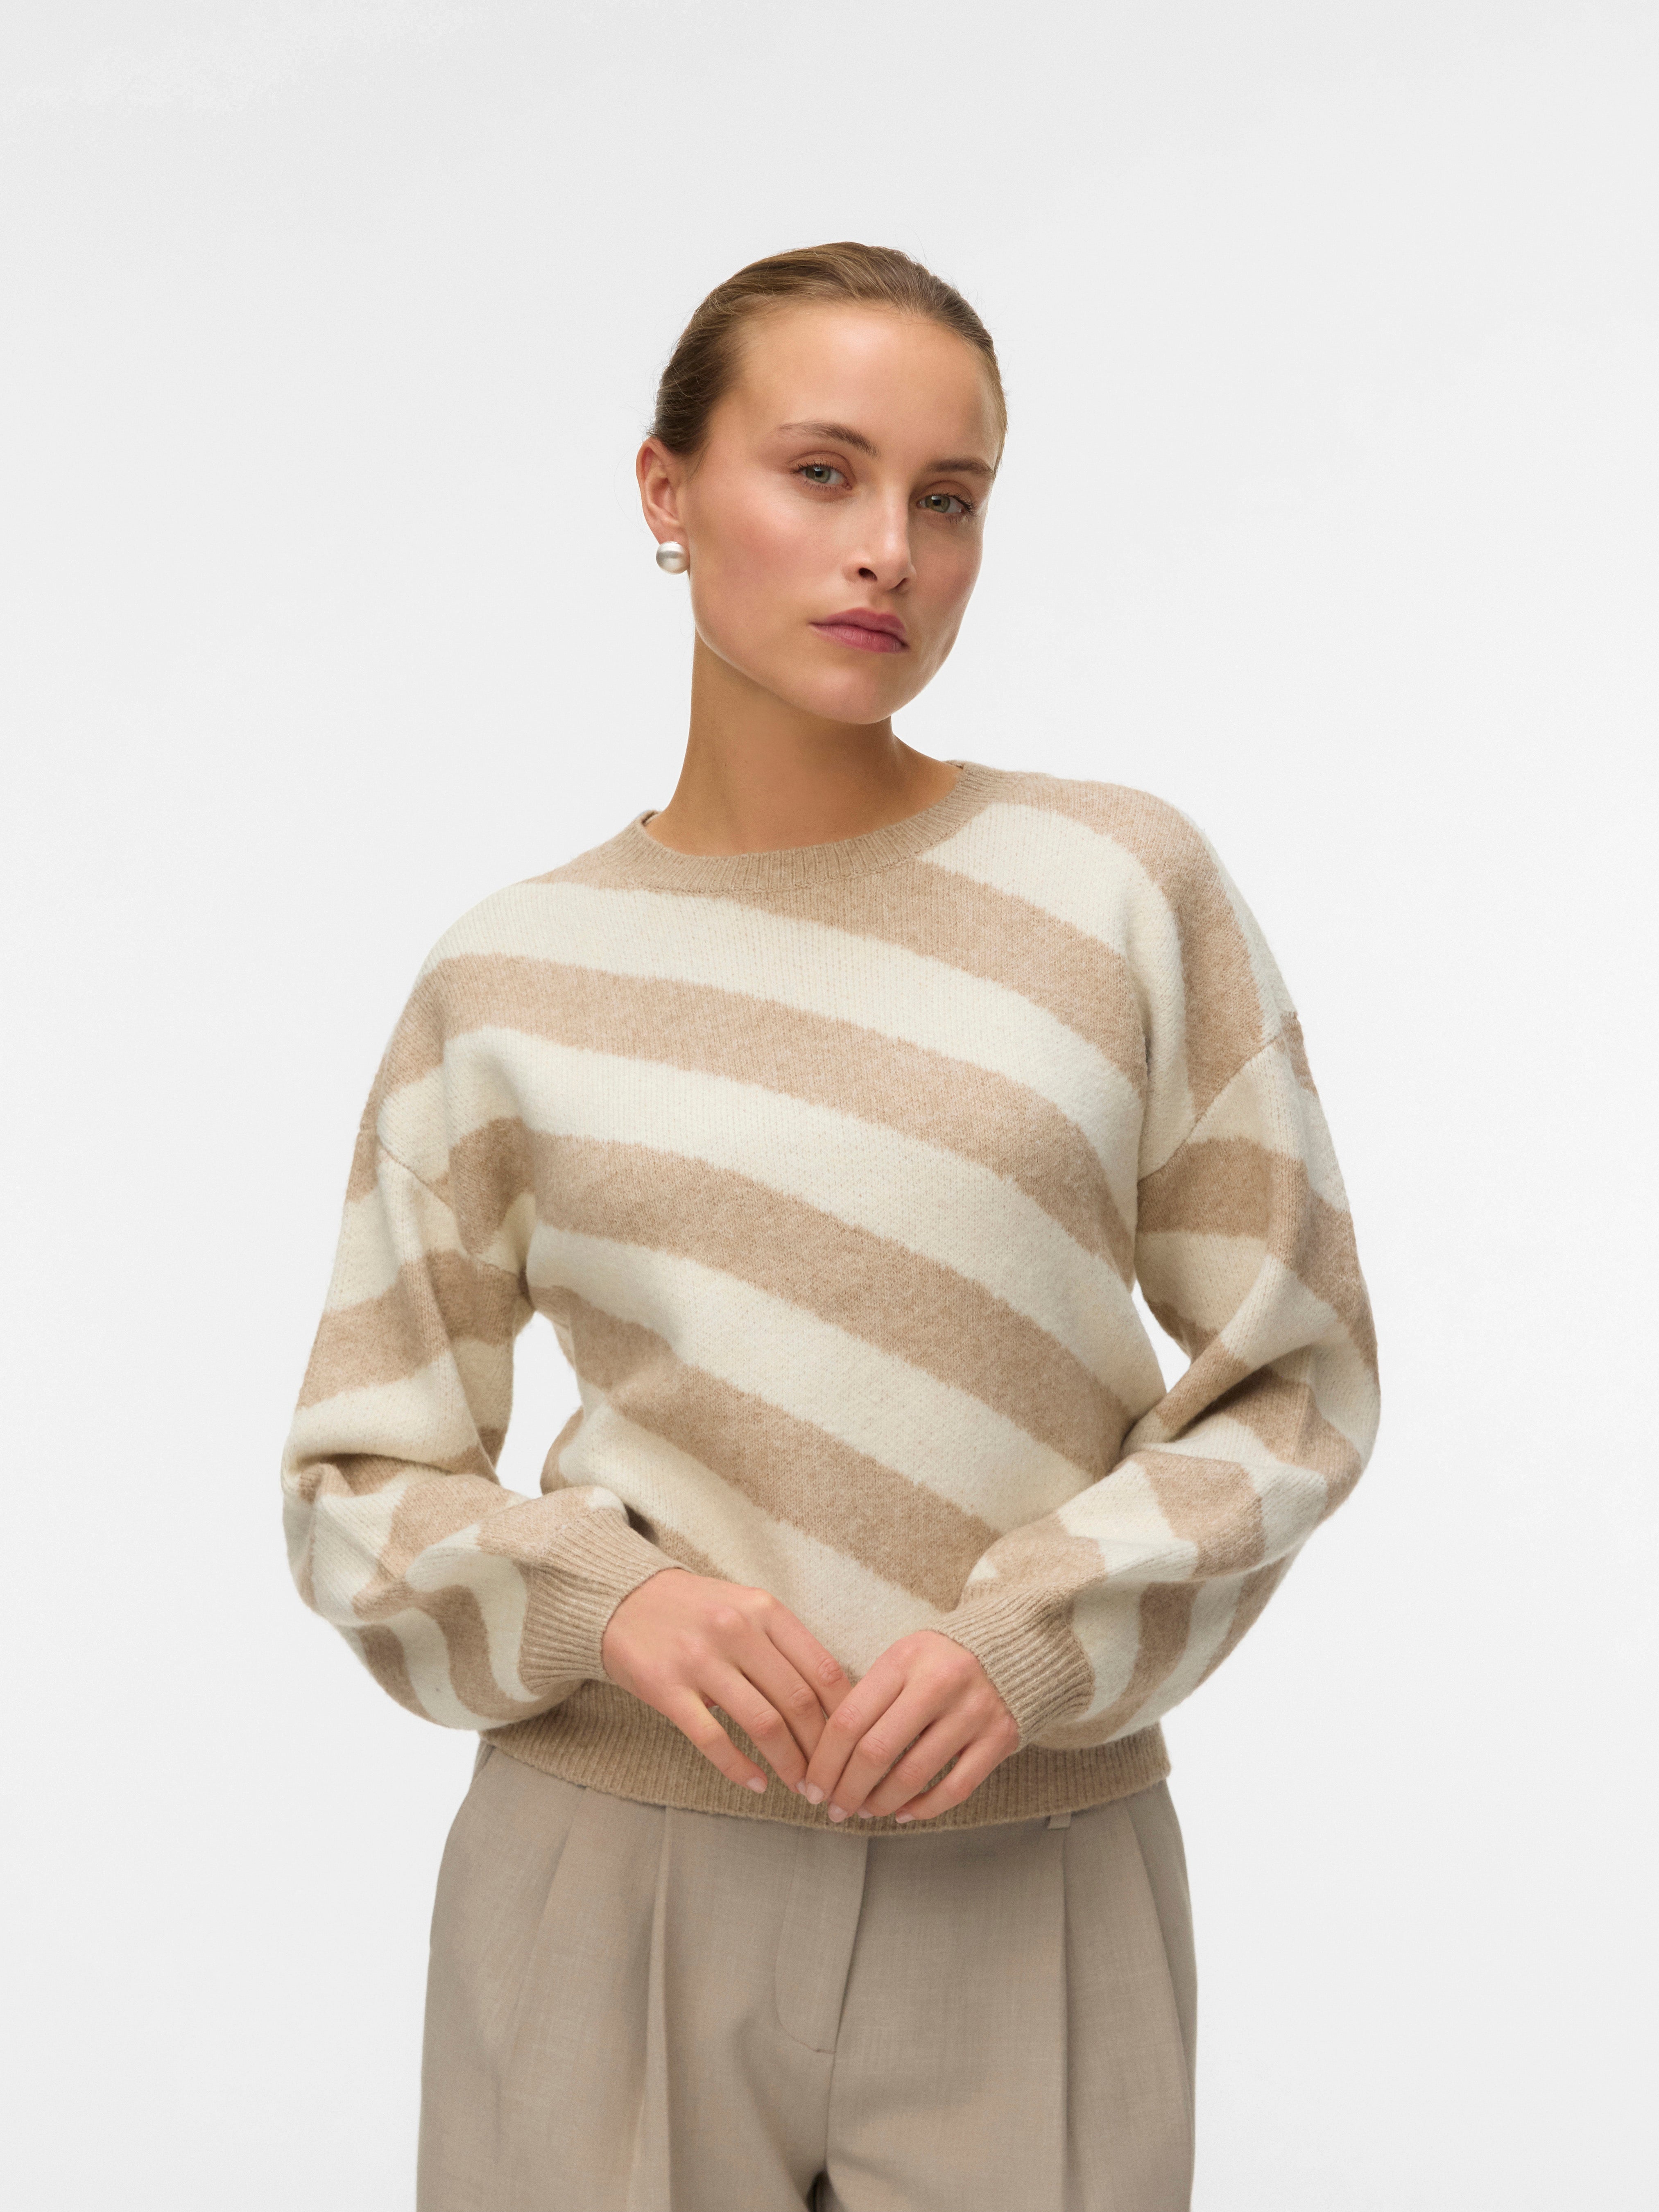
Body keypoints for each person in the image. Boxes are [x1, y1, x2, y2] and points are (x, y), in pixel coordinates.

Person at [281, 241, 1379, 2212]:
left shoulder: (1115, 888)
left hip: (1032, 1877)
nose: (889, 549)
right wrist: (605, 1599)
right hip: (605, 1876)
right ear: (665, 490)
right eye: (820, 473)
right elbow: (357, 1478)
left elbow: (1291, 1381)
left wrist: (1035, 1637)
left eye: (946, 499)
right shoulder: (508, 975)